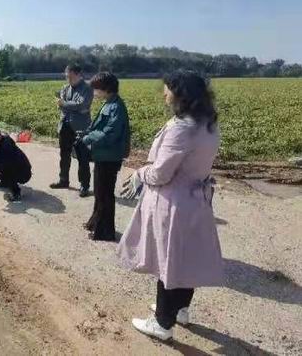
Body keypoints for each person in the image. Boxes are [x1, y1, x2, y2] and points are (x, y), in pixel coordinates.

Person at [117, 70, 224, 341]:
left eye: (167, 89)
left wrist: (140, 173)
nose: (164, 93)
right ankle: (180, 310)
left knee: (169, 260)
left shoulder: (181, 128)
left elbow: (161, 173)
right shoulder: (207, 124)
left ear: (180, 94)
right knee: (187, 258)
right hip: (197, 200)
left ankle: (163, 323)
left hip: (174, 202)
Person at [77, 72, 130, 241]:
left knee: (105, 194)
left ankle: (105, 232)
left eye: (96, 89)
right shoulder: (109, 103)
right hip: (103, 155)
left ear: (106, 89)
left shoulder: (116, 107)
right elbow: (98, 127)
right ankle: (95, 223)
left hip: (110, 157)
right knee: (100, 193)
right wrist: (86, 133)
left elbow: (110, 133)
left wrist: (88, 138)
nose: (94, 92)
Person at [50, 64, 94, 197]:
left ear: (78, 75)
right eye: (66, 76)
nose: (68, 79)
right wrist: (71, 106)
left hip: (80, 128)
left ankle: (84, 185)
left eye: (70, 76)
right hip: (65, 125)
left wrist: (65, 104)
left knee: (82, 157)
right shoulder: (65, 88)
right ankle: (63, 180)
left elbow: (82, 104)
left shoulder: (87, 88)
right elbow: (62, 106)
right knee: (64, 154)